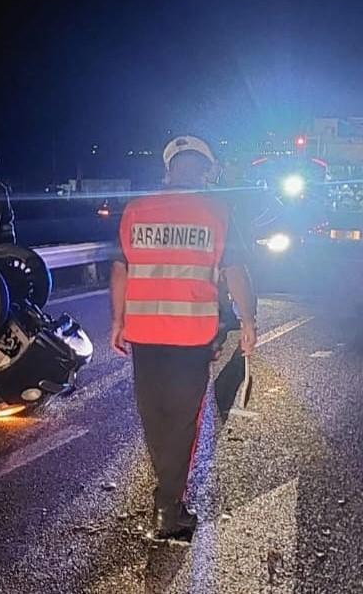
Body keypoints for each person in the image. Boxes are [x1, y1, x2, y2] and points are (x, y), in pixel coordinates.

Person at [109, 135, 257, 541]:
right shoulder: (217, 212)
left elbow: (121, 269)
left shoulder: (137, 210)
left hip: (145, 335)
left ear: (168, 168)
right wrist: (249, 320)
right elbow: (236, 271)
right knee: (182, 423)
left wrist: (117, 321)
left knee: (154, 418)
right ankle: (168, 508)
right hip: (191, 336)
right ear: (205, 170)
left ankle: (168, 498)